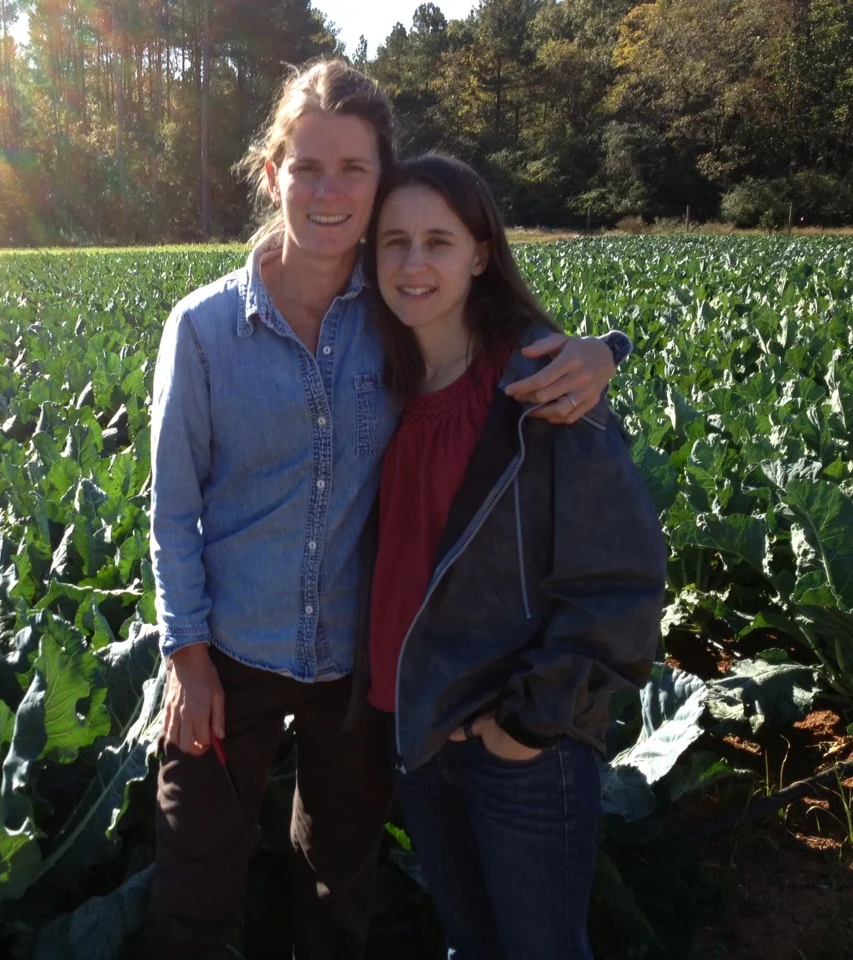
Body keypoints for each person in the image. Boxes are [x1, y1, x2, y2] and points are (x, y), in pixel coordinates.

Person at [146, 60, 632, 960]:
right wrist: (188, 658)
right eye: (307, 167)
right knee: (194, 882)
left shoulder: (401, 310)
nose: (328, 191)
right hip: (230, 660)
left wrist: (604, 351)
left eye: (354, 169)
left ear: (381, 182)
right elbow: (172, 513)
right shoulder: (203, 330)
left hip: (358, 664)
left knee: (338, 880)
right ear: (271, 175)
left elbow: (506, 340)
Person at [357, 153, 666, 960]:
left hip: (519, 744)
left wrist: (525, 724)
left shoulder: (545, 386)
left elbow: (622, 581)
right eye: (393, 243)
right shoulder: (374, 379)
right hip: (417, 730)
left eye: (438, 241)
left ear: (481, 253)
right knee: (469, 944)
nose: (414, 264)